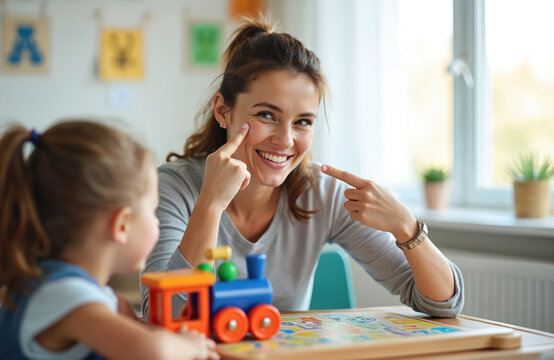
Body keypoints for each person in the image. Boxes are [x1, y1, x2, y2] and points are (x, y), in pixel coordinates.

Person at [141, 16, 464, 318]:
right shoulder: (173, 188)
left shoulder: (323, 194)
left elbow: (443, 303)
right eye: (267, 115)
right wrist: (210, 204)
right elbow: (165, 315)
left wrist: (406, 227)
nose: (285, 140)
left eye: (303, 122)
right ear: (224, 111)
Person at [0, 121, 219, 360]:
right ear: (122, 225)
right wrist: (190, 346)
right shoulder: (65, 295)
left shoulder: (75, 290)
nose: (157, 222)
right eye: (153, 210)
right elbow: (154, 351)